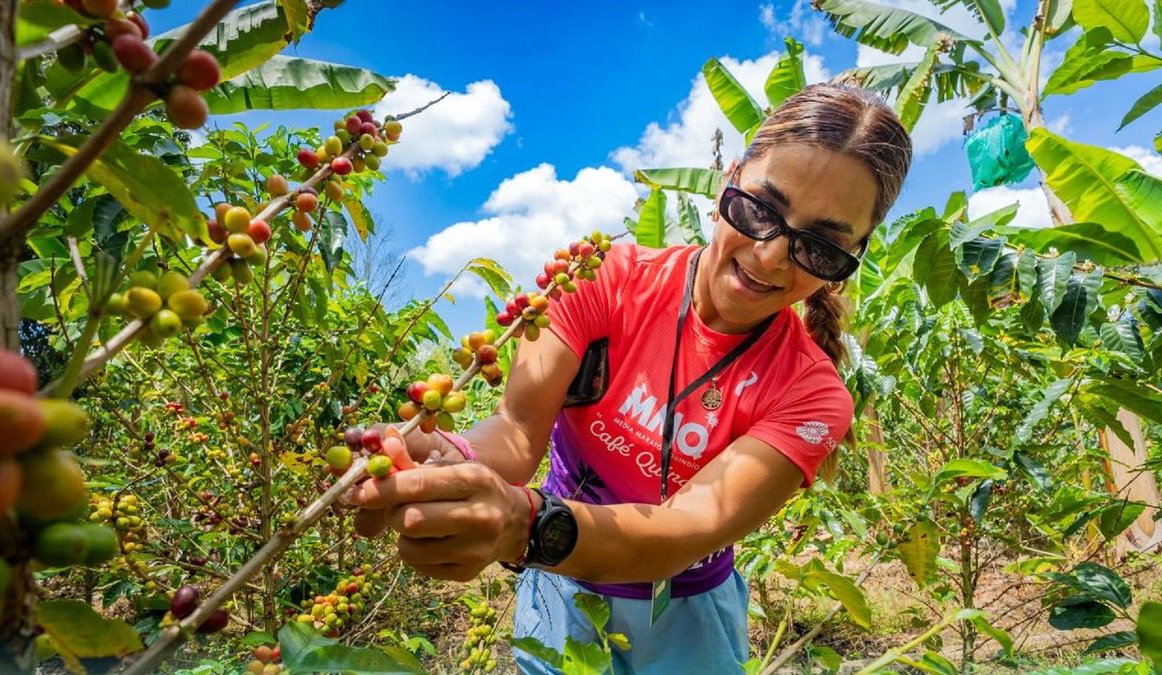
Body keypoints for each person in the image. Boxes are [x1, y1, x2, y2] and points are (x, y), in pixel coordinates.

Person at [351, 83, 912, 673]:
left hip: (688, 619)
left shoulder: (812, 394)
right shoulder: (601, 280)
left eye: (820, 248)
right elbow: (516, 433)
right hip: (558, 592)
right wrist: (447, 457)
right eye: (761, 210)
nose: (771, 256)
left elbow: (689, 528)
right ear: (731, 177)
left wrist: (522, 525)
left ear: (852, 257)